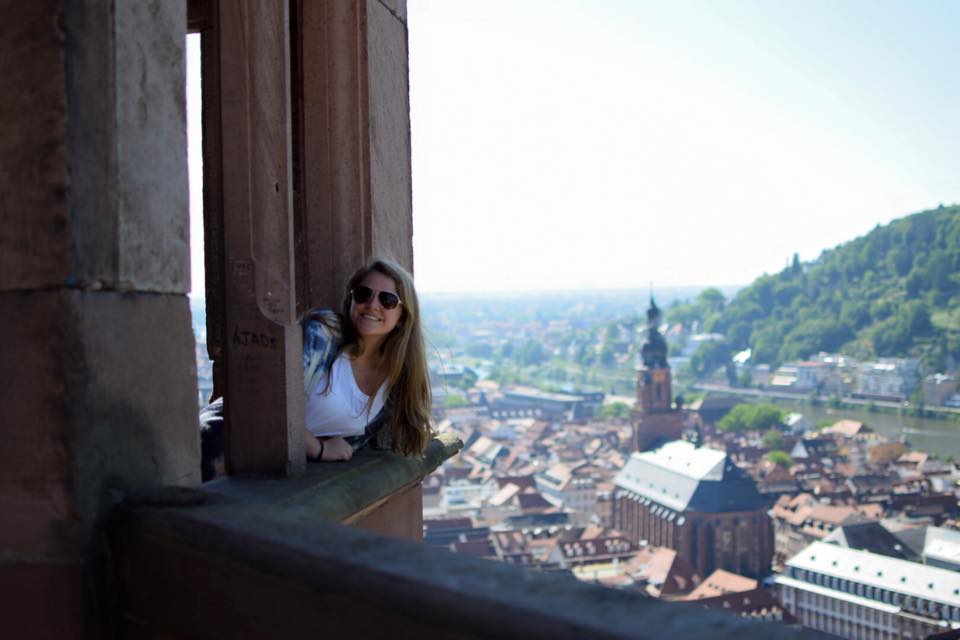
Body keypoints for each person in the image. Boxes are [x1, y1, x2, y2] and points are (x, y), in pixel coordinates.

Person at [200, 258, 433, 478]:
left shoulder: (395, 380)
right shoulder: (324, 334)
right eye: (363, 294)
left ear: (403, 315)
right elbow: (273, 406)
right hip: (225, 442)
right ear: (351, 299)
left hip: (268, 468)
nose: (372, 305)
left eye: (387, 300)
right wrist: (319, 449)